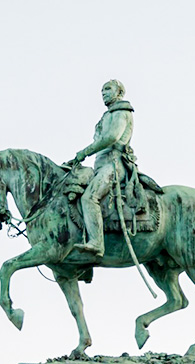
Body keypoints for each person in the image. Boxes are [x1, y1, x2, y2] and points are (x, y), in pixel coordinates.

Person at [68, 80, 135, 257]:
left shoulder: (121, 111)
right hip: (101, 165)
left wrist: (85, 152)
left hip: (114, 164)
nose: (103, 93)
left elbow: (112, 137)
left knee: (90, 198)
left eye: (107, 89)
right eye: (101, 90)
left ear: (119, 92)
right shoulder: (108, 115)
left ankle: (97, 243)